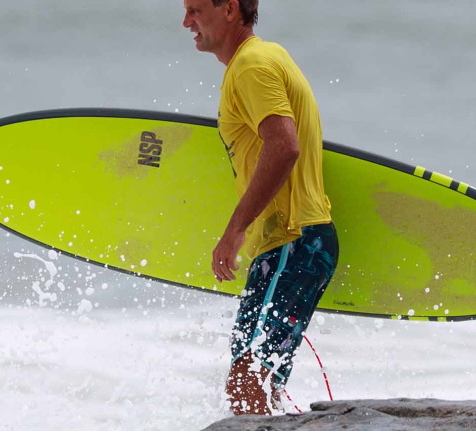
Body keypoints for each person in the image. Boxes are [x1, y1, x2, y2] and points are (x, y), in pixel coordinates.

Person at [182, 0, 340, 415]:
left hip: (295, 241)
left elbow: (285, 146)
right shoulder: (263, 57)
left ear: (231, 8)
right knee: (253, 383)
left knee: (246, 380)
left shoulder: (252, 65)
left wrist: (235, 229)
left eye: (196, 10)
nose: (186, 22)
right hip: (289, 245)